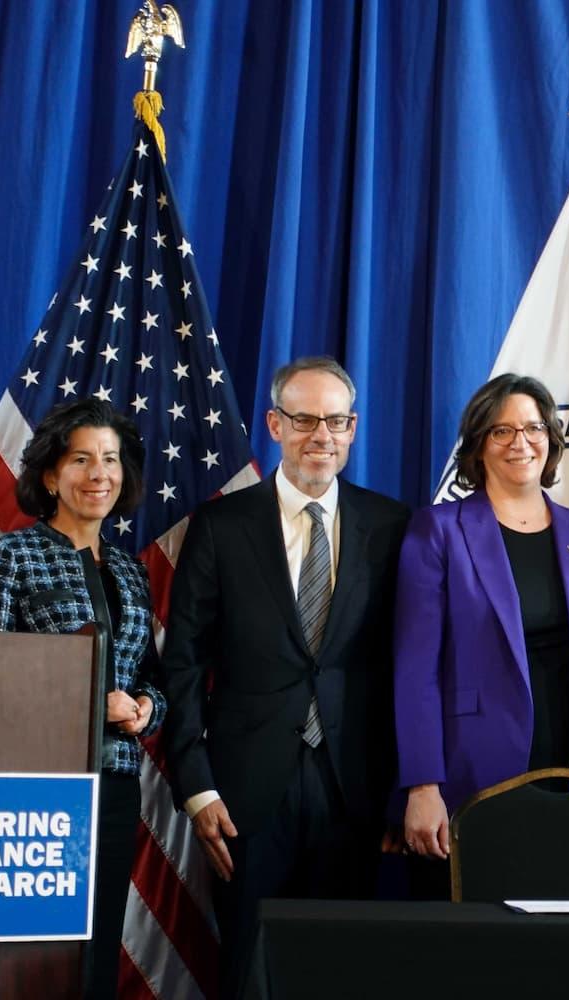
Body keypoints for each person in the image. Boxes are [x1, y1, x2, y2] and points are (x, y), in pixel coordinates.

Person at [160, 356, 409, 998]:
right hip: (245, 791)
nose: (320, 435)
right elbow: (183, 663)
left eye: (336, 420)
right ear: (275, 423)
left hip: (355, 787)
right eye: (303, 419)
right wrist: (198, 787)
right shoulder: (220, 526)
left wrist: (402, 786)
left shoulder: (394, 526)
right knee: (250, 968)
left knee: (341, 968)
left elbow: (405, 665)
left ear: (353, 429)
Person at [395, 373, 569, 897]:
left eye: (532, 428)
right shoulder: (438, 530)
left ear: (550, 439)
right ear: (479, 444)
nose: (519, 442)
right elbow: (415, 670)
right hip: (473, 765)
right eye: (501, 431)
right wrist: (422, 784)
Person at [0, 399, 165, 1000]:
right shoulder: (8, 557)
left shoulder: (130, 572)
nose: (99, 473)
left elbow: (148, 676)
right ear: (50, 475)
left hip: (117, 783)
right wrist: (84, 705)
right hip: (35, 789)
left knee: (98, 949)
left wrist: (148, 708)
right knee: (35, 956)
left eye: (111, 459)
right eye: (81, 459)